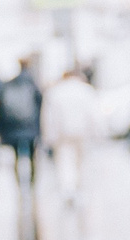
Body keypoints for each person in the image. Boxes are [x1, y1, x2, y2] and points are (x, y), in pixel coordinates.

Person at [41, 63, 102, 204]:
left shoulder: (56, 92)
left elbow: (49, 117)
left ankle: (68, 190)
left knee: (65, 162)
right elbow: (94, 115)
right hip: (83, 132)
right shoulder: (86, 91)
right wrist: (98, 132)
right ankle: (79, 189)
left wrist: (49, 136)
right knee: (81, 161)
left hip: (63, 133)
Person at [0, 57, 43, 188]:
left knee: (15, 155)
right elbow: (40, 106)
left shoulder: (9, 84)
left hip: (13, 126)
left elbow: (1, 108)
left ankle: (18, 181)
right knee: (32, 155)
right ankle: (31, 180)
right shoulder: (32, 83)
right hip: (30, 126)